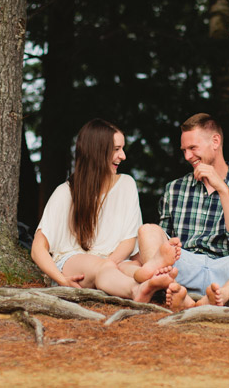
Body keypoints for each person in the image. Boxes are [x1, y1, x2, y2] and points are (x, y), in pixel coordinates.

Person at [137, 113, 229, 310]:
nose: (188, 156)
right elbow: (163, 251)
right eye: (184, 150)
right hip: (184, 268)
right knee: (147, 230)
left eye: (193, 148)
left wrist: (222, 189)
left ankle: (221, 296)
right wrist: (171, 245)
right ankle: (176, 292)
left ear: (215, 141)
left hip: (227, 272)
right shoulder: (175, 188)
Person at [31, 119, 177, 302]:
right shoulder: (65, 193)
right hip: (72, 262)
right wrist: (61, 280)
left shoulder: (126, 184)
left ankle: (154, 280)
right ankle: (136, 290)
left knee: (129, 268)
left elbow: (129, 239)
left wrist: (112, 261)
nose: (123, 156)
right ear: (97, 152)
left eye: (122, 148)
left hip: (115, 262)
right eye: (116, 149)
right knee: (103, 267)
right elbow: (37, 249)